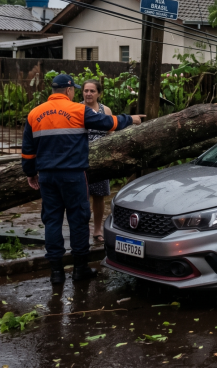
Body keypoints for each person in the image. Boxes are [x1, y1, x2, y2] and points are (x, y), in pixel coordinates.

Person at [22, 74, 145, 285]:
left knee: (52, 221)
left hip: (47, 177)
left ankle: (56, 273)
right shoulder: (78, 110)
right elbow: (108, 122)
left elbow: (27, 150)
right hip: (73, 176)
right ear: (69, 90)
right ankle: (80, 270)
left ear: (53, 90)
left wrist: (30, 173)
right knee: (78, 220)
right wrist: (130, 119)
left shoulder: (35, 113)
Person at [81, 79, 113, 244]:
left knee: (99, 197)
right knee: (82, 197)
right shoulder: (77, 109)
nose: (88, 94)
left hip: (101, 161)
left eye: (92, 91)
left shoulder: (105, 110)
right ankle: (82, 230)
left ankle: (97, 230)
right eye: (86, 90)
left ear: (99, 93)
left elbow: (110, 135)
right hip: (81, 160)